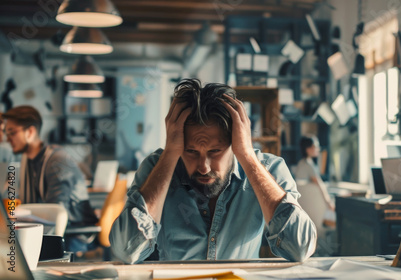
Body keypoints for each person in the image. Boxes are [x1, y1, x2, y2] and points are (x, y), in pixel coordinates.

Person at [110, 79, 317, 263]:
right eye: (191, 151)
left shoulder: (270, 169)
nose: (203, 166)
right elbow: (127, 251)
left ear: (236, 141)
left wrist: (246, 156)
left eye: (215, 151)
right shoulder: (157, 167)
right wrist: (172, 152)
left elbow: (299, 249)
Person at [3, 105, 98, 253]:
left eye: (12, 133)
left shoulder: (57, 161)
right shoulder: (26, 160)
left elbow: (55, 211)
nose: (7, 139)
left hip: (74, 235)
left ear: (30, 132)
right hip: (46, 231)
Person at [295, 135, 335, 225]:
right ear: (308, 149)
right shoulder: (309, 165)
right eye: (315, 146)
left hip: (303, 207)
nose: (318, 148)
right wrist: (329, 203)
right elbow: (319, 184)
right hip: (314, 209)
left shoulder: (301, 163)